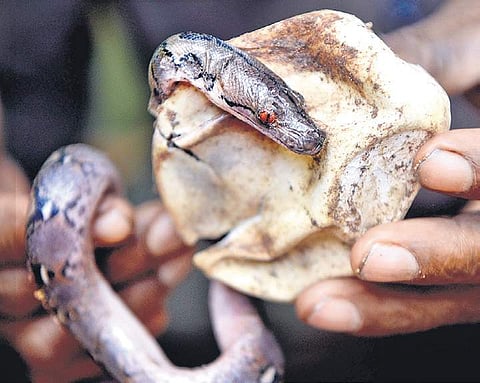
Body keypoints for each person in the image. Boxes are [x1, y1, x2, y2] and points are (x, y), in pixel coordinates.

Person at [1, 0, 479, 381]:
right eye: (269, 121)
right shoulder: (187, 75)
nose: (298, 136)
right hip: (233, 247)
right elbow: (23, 79)